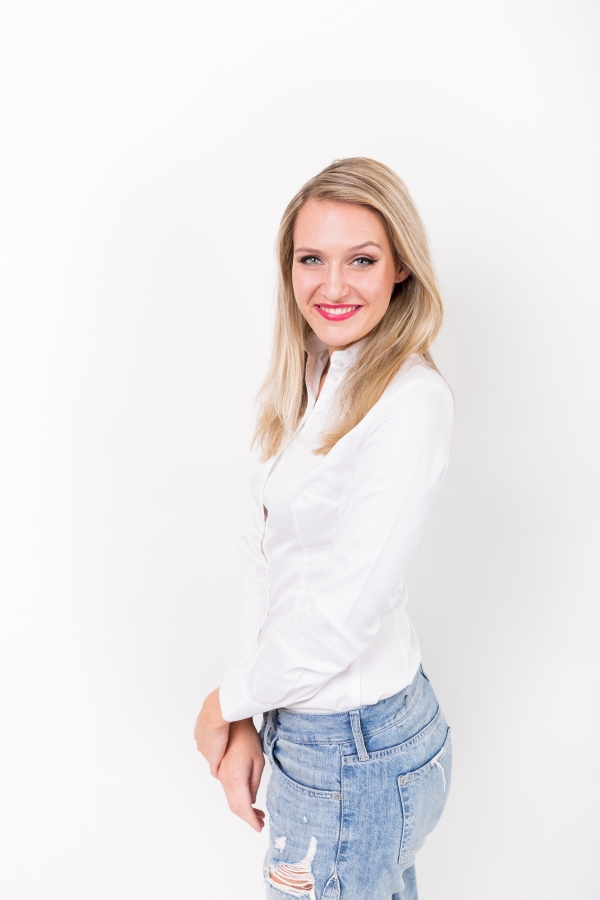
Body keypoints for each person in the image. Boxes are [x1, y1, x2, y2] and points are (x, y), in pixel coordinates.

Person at [194, 157, 454, 899]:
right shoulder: (311, 376)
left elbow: (339, 620)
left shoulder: (410, 403)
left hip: (352, 753)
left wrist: (223, 703)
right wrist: (245, 714)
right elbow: (266, 557)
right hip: (319, 734)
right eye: (312, 259)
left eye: (361, 260)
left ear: (401, 267)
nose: (332, 286)